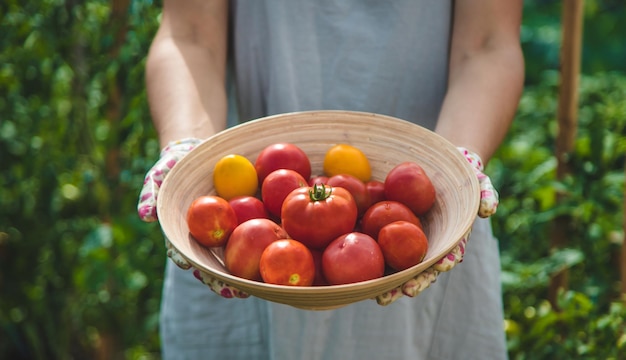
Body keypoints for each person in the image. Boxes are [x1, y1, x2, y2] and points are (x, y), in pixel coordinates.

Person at [137, 1, 524, 359]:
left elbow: (488, 44)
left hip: (435, 214)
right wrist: (188, 148)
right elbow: (189, 34)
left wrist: (455, 165)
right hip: (230, 241)